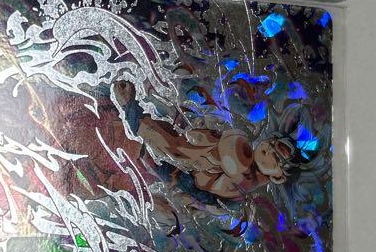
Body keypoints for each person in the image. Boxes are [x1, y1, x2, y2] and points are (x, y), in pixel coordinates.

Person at [111, 79, 303, 202]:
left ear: (279, 176)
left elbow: (177, 150)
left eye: (278, 156)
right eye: (273, 142)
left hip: (177, 174)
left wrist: (130, 109)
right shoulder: (240, 152)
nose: (270, 148)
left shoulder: (237, 168)